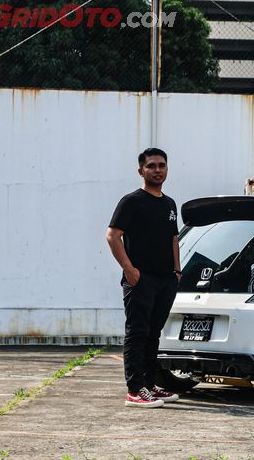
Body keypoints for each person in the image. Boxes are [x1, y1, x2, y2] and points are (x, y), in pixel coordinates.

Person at [106, 148, 182, 408]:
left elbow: (174, 239)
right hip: (140, 279)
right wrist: (129, 269)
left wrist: (177, 272)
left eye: (162, 165)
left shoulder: (170, 204)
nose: (157, 170)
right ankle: (134, 389)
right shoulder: (131, 201)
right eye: (151, 166)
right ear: (141, 171)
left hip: (165, 280)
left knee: (153, 333)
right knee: (137, 333)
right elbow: (112, 236)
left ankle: (150, 384)